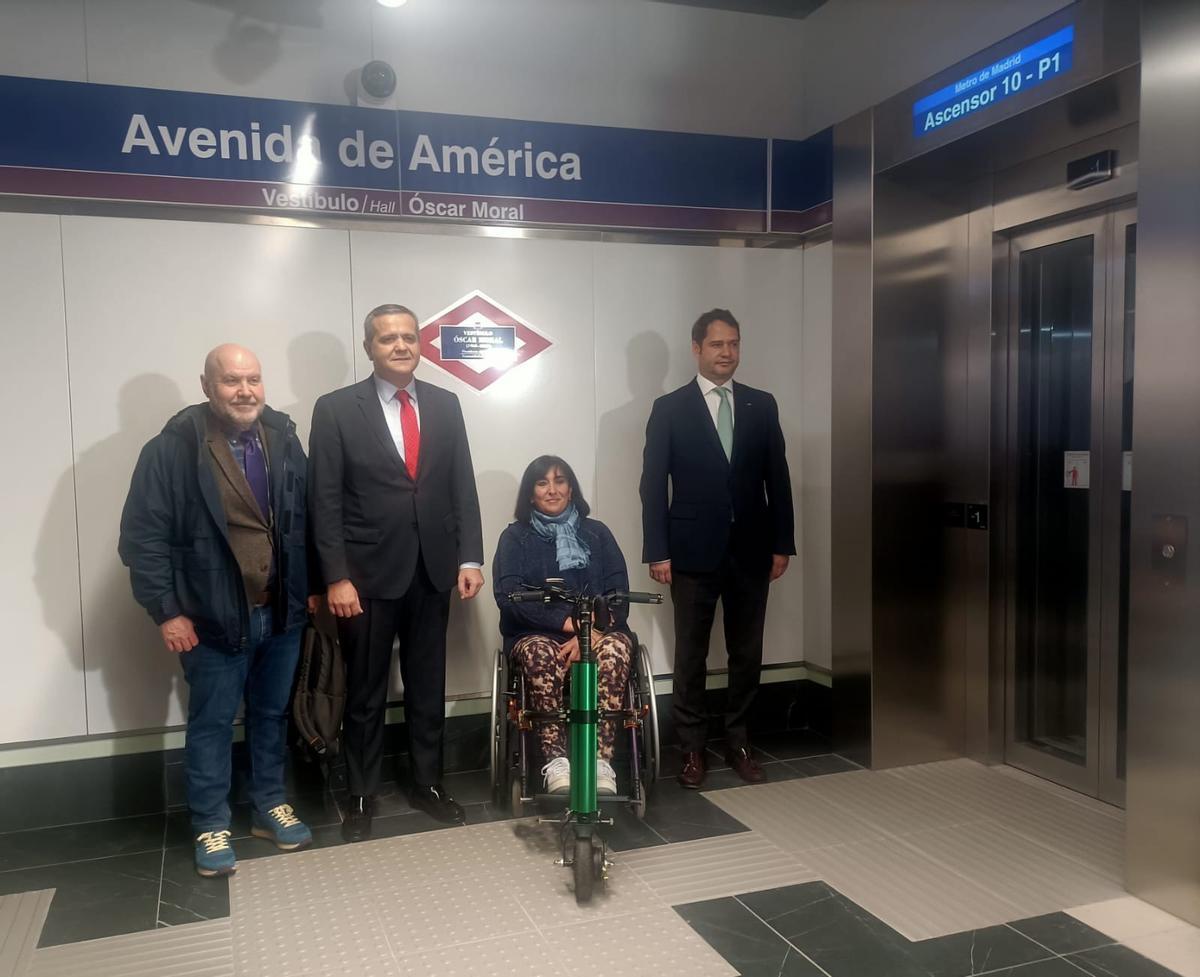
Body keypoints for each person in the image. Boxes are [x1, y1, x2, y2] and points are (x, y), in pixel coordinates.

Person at [119, 345, 313, 877]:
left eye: (253, 379)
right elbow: (143, 538)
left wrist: (309, 590)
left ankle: (268, 805)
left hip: (280, 612)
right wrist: (166, 611)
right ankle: (210, 822)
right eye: (232, 380)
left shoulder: (285, 441)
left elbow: (307, 520)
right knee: (210, 724)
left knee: (271, 716)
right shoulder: (171, 450)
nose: (245, 390)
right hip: (209, 617)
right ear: (207, 386)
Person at [308, 303, 484, 839]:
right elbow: (325, 499)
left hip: (433, 569)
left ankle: (427, 782)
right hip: (364, 577)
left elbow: (462, 484)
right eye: (389, 339)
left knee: (428, 684)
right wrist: (335, 575)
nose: (401, 345)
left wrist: (470, 556)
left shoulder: (446, 404)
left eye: (409, 336)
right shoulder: (336, 409)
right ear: (369, 348)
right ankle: (361, 793)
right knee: (365, 690)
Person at [640, 309, 795, 789]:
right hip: (690, 551)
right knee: (691, 653)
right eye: (717, 345)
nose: (726, 353)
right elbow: (651, 486)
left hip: (751, 549)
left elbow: (779, 480)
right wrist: (657, 551)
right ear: (696, 349)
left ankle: (740, 741)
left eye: (733, 344)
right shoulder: (669, 407)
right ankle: (692, 749)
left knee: (746, 652)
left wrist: (782, 542)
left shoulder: (760, 405)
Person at [493, 456, 634, 796]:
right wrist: (566, 623)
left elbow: (620, 597)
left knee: (615, 650)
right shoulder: (515, 538)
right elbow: (508, 595)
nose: (552, 489)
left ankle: (601, 763)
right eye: (543, 483)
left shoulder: (597, 533)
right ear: (530, 494)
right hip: (536, 633)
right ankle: (556, 763)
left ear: (571, 488)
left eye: (560, 481)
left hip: (599, 631)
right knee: (540, 654)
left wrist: (594, 632)